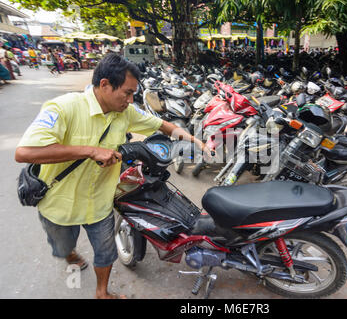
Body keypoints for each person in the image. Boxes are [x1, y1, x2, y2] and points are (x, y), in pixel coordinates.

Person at [15, 53, 210, 299]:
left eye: (133, 94)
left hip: (99, 203)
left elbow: (162, 125)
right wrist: (90, 151)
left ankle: (102, 293)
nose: (130, 100)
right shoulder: (63, 108)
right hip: (59, 205)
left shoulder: (125, 112)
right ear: (105, 84)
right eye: (127, 93)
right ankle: (69, 255)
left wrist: (195, 141)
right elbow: (24, 152)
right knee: (64, 246)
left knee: (106, 252)